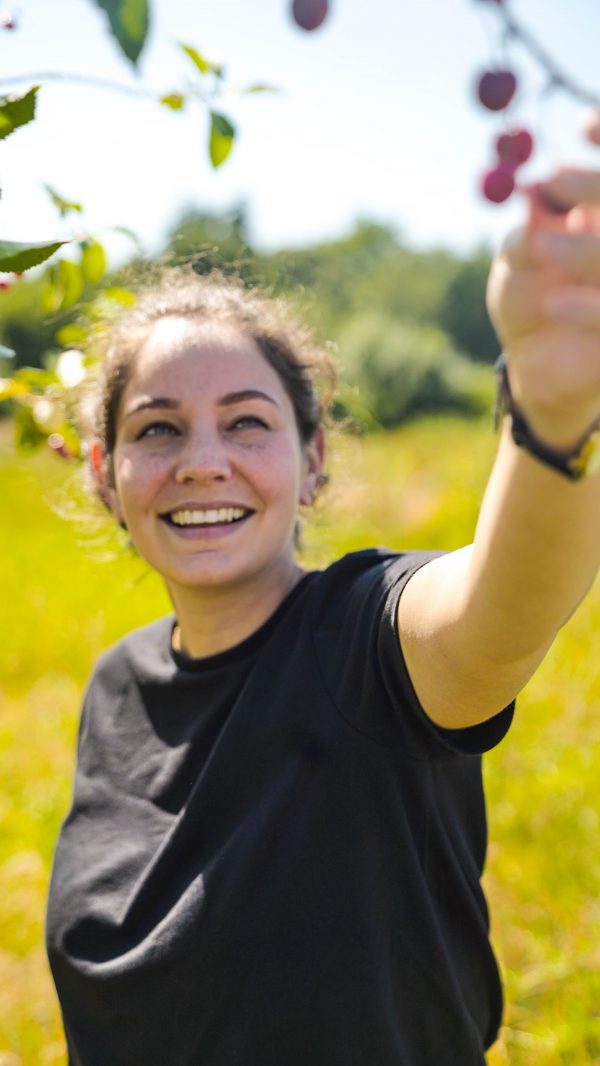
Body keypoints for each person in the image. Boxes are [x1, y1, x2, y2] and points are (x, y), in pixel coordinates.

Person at [45, 166, 600, 1066]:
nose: (203, 462)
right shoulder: (118, 685)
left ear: (312, 462)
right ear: (106, 474)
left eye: (248, 423)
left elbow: (500, 606)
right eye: (158, 429)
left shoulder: (362, 642)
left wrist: (553, 415)